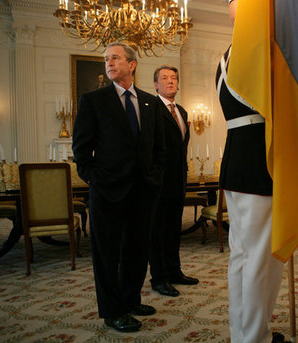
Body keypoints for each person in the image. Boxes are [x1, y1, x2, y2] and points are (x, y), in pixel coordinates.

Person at [72, 42, 166, 332]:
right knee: (107, 254)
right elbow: (81, 149)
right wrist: (95, 180)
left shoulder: (151, 102)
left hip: (143, 192)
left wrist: (155, 178)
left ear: (132, 64)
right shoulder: (94, 100)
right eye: (106, 59)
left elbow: (159, 148)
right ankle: (113, 311)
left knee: (137, 249)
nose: (109, 63)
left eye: (115, 58)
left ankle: (130, 299)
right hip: (107, 192)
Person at [215, 1, 287, 342]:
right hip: (259, 162)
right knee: (260, 259)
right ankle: (254, 337)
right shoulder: (259, 49)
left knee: (242, 258)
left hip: (235, 162)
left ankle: (242, 332)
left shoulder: (226, 55)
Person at [148, 65, 198, 297]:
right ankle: (158, 278)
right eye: (165, 78)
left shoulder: (182, 112)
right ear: (156, 85)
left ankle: (174, 271)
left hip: (177, 181)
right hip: (157, 183)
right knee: (157, 231)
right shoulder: (150, 109)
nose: (170, 82)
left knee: (173, 229)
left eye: (174, 78)